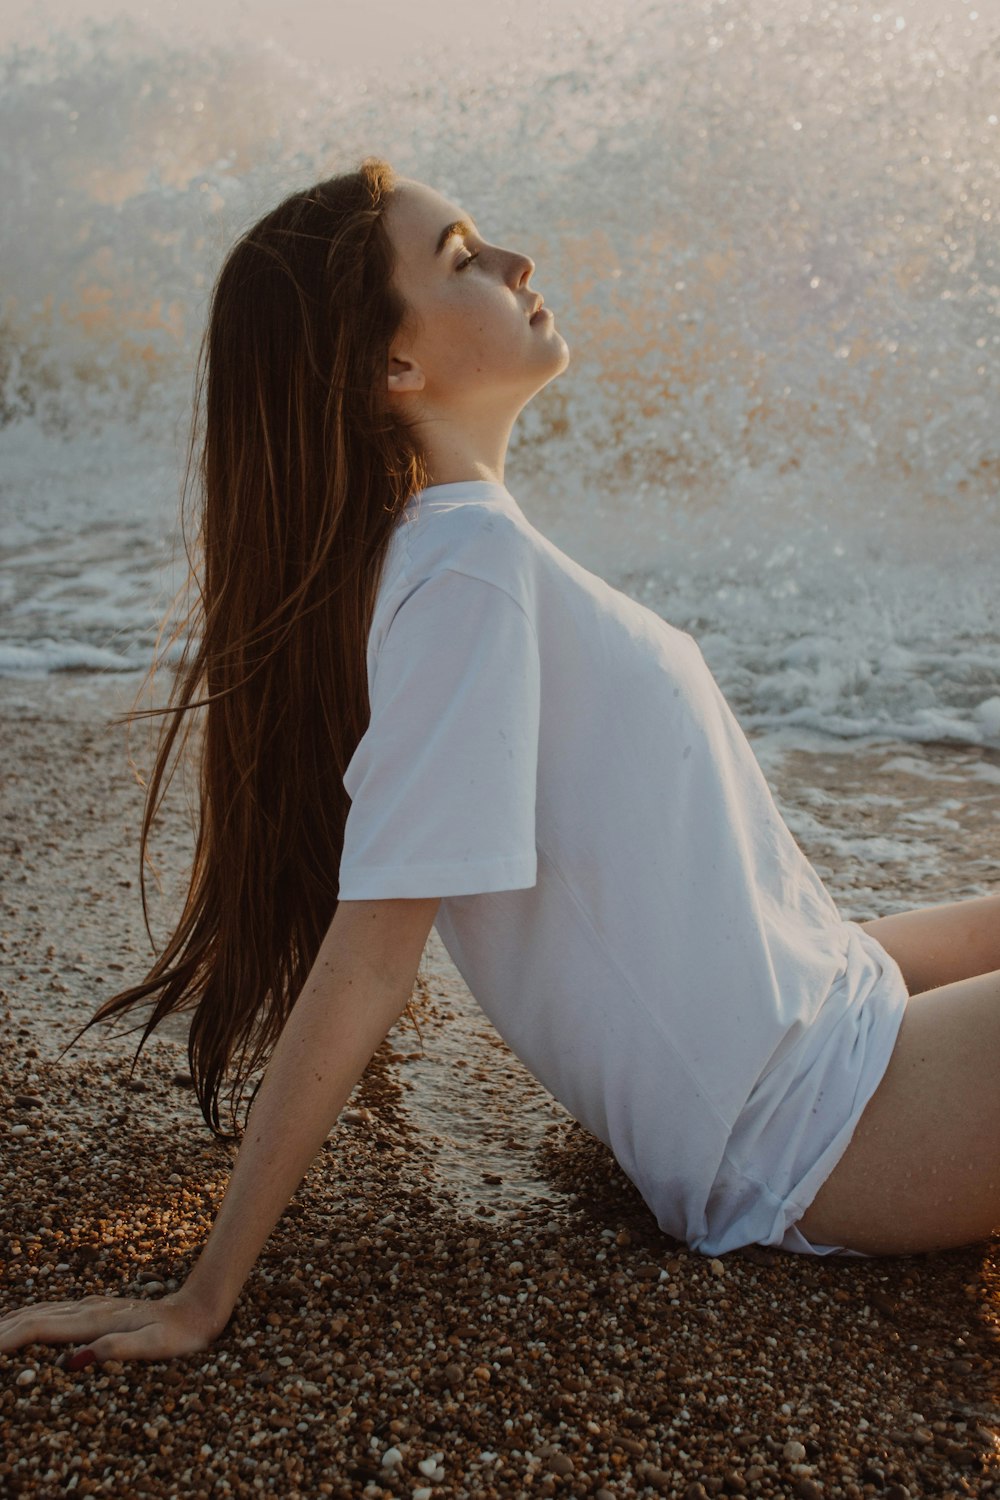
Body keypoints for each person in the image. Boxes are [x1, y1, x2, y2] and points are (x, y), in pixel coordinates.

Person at [2, 157, 999, 1370]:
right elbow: (369, 955)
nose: (517, 261)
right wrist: (201, 1298)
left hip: (832, 997)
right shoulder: (462, 572)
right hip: (817, 1126)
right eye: (464, 255)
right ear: (392, 367)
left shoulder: (457, 561)